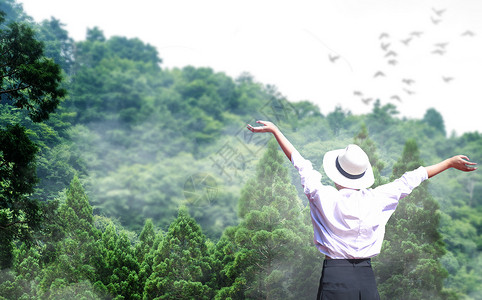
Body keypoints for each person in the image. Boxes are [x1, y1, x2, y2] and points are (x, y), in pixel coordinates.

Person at [246, 120, 477, 300]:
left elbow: (301, 164)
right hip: (366, 279)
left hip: (335, 277)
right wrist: (448, 163)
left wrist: (276, 131)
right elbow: (412, 178)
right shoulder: (377, 198)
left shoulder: (322, 195)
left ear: (337, 173)